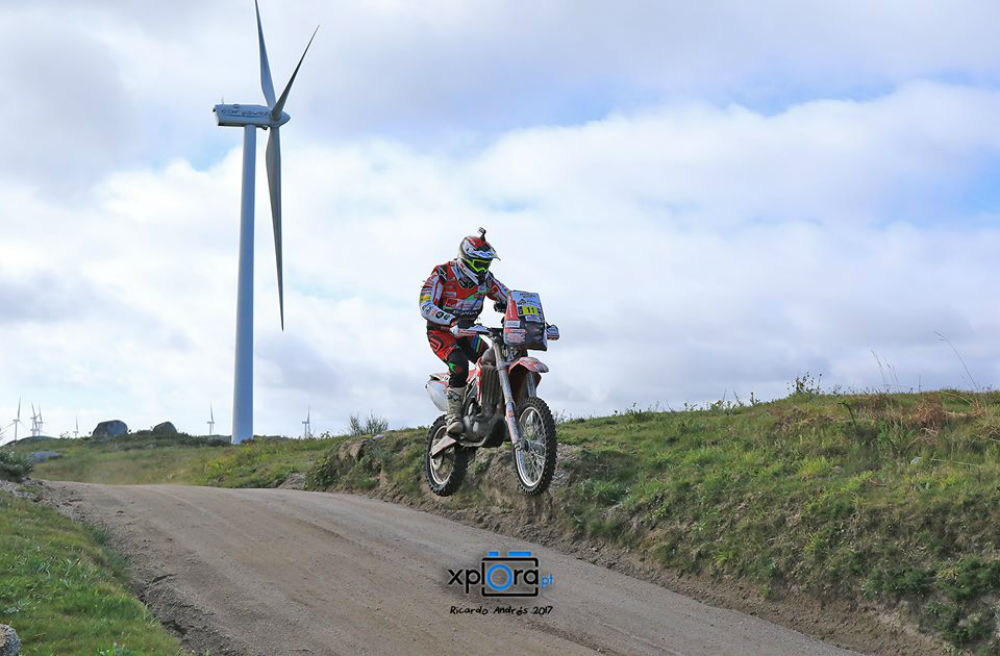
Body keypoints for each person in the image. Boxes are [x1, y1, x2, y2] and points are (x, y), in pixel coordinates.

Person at [420, 228, 510, 435]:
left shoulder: (486, 280)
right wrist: (451, 320)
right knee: (458, 364)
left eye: (486, 264)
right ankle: (453, 415)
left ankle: (486, 409)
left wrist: (526, 313)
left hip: (468, 332)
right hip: (440, 332)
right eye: (478, 263)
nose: (482, 269)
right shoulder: (442, 274)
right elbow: (425, 306)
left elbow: (509, 296)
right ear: (465, 259)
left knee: (492, 360)